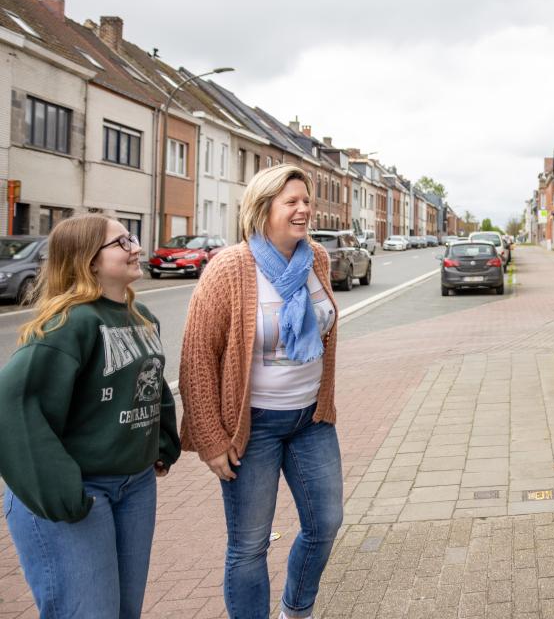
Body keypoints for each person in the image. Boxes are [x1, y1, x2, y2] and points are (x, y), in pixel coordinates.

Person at [180, 164, 342, 619]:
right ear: (262, 208)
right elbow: (197, 357)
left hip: (310, 418)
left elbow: (323, 330)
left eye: (305, 200)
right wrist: (211, 439)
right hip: (253, 428)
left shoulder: (316, 259)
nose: (304, 209)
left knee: (325, 523)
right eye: (291, 201)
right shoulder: (231, 268)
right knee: (249, 544)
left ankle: (297, 608)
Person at [0, 215, 179, 618]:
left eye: (131, 237)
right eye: (121, 243)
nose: (135, 247)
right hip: (76, 490)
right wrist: (60, 487)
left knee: (123, 611)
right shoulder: (70, 324)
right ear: (89, 261)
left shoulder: (141, 315)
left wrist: (162, 441)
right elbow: (13, 403)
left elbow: (149, 381)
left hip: (134, 486)